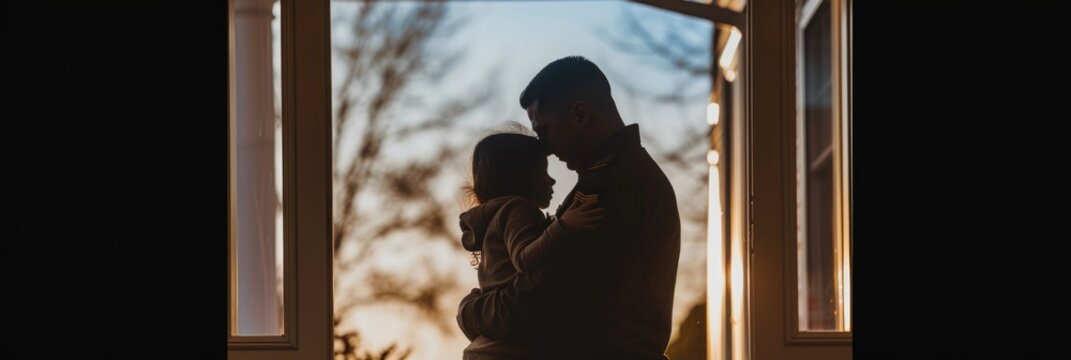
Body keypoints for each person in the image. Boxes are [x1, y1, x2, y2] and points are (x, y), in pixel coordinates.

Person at [457, 55, 682, 359]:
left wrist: (471, 311)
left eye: (544, 131)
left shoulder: (609, 188)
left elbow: (539, 298)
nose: (544, 148)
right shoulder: (622, 176)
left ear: (580, 114)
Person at [458, 131, 604, 359]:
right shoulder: (516, 209)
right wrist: (564, 227)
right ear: (519, 177)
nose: (552, 180)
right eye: (543, 171)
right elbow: (524, 258)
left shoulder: (497, 217)